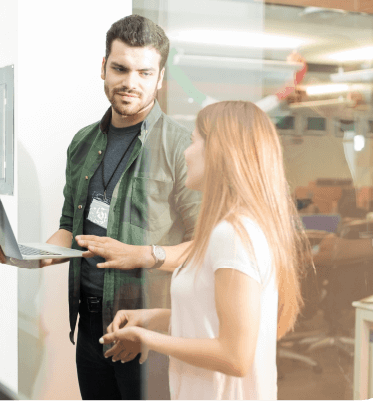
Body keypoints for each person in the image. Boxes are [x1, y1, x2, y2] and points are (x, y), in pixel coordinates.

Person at [0, 15, 202, 400]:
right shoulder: (83, 142)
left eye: (144, 72)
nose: (130, 82)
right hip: (89, 325)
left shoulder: (182, 148)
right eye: (120, 68)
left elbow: (203, 248)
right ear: (103, 67)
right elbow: (69, 226)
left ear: (160, 77)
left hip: (147, 327)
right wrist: (32, 255)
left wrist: (141, 255)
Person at [98, 101, 313, 400]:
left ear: (219, 152)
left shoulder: (234, 235)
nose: (186, 153)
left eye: (194, 141)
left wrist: (146, 337)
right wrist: (154, 319)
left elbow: (234, 356)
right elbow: (212, 321)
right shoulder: (229, 230)